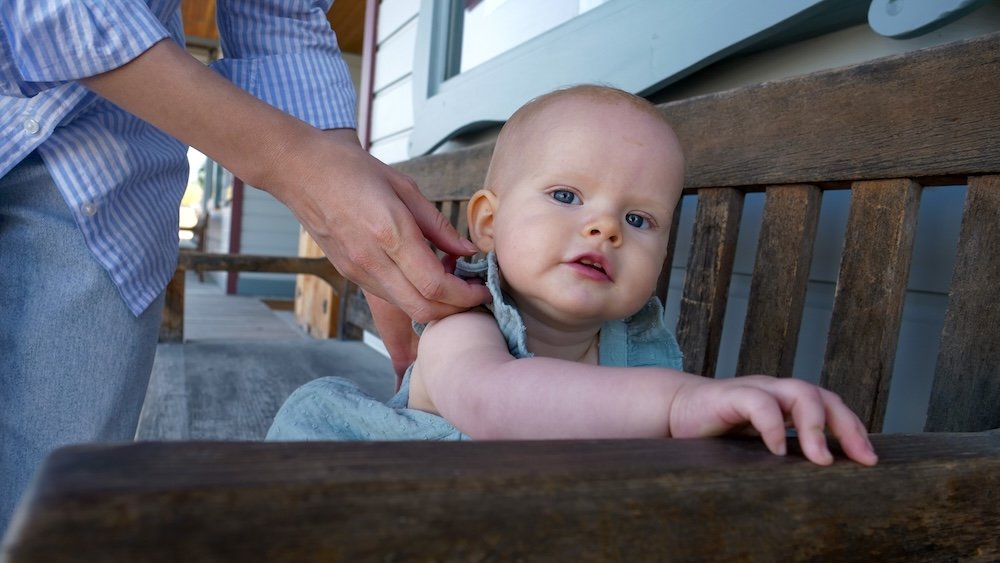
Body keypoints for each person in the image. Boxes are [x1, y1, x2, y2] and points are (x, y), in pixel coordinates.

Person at [0, 0, 489, 535]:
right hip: (94, 155)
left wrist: (349, 192)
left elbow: (279, 13)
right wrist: (293, 162)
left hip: (100, 191)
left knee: (48, 521)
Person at [266, 85, 879, 468]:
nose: (606, 227)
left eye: (638, 218)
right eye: (566, 194)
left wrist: (727, 416)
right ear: (488, 222)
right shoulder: (466, 323)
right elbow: (494, 403)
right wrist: (682, 401)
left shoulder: (638, 344)